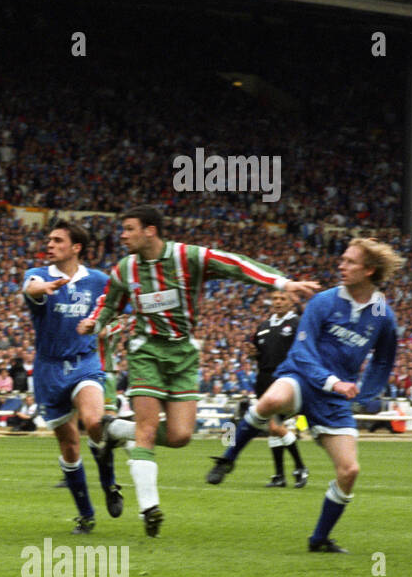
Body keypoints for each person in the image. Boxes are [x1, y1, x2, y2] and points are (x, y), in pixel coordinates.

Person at [77, 205, 318, 537]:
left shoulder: (187, 258)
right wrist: (95, 322)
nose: (122, 235)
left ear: (150, 231)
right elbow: (110, 304)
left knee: (180, 436)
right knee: (147, 429)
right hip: (146, 351)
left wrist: (280, 281)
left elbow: (235, 265)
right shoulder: (124, 269)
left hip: (184, 354)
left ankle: (115, 430)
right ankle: (150, 508)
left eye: (129, 228)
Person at [207, 239, 402, 553]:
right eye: (342, 259)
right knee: (269, 401)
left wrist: (367, 392)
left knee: (350, 471)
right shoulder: (324, 301)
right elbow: (303, 350)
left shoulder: (383, 315)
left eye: (350, 262)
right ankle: (227, 458)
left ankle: (319, 539)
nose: (341, 266)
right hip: (301, 377)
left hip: (335, 399)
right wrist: (332, 381)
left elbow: (384, 358)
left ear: (369, 270)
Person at [23, 221, 124, 533]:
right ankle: (86, 514)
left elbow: (120, 311)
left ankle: (110, 484)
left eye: (57, 240)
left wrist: (105, 325)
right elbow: (31, 289)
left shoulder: (99, 280)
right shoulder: (36, 274)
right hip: (49, 369)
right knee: (69, 446)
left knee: (94, 422)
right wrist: (43, 289)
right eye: (49, 239)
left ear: (76, 247)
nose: (50, 244)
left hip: (84, 361)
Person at [248, 292, 309, 488]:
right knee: (272, 429)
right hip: (264, 379)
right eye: (275, 299)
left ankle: (300, 466)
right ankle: (279, 476)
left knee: (275, 427)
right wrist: (253, 354)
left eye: (283, 299)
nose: (278, 302)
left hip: (285, 379)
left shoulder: (298, 323)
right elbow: (260, 354)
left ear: (291, 302)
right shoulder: (264, 326)